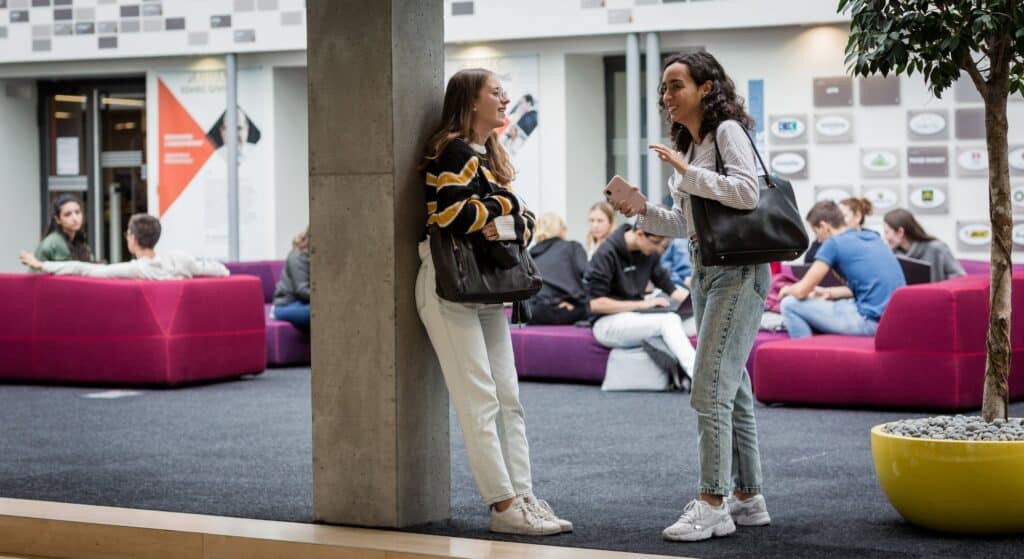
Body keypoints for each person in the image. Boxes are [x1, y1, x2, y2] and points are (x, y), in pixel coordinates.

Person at [615, 51, 772, 542]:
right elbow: (687, 225)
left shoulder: (726, 132)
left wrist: (685, 170)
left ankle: (712, 502)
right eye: (663, 88)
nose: (666, 96)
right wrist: (641, 210)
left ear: (706, 88)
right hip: (707, 272)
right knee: (732, 387)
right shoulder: (697, 142)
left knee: (707, 388)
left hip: (738, 273)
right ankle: (748, 496)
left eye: (676, 85)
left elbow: (747, 192)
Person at [415, 68, 570, 536]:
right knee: (481, 399)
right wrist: (503, 211)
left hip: (483, 287)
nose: (506, 100)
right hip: (450, 286)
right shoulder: (453, 150)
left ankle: (522, 495)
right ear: (470, 101)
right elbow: (447, 212)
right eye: (496, 93)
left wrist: (502, 214)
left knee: (508, 397)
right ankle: (503, 506)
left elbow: (527, 223)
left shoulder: (488, 156)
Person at [586, 223, 696, 385]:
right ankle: (700, 379)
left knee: (696, 322)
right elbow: (595, 304)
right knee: (669, 321)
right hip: (606, 324)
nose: (659, 249)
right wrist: (644, 304)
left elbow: (672, 290)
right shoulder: (606, 253)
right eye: (656, 243)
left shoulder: (648, 253)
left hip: (636, 318)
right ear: (639, 234)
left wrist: (701, 305)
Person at [779, 201, 905, 338]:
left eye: (816, 233)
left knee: (789, 304)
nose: (819, 241)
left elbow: (801, 291)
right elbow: (869, 288)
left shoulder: (833, 244)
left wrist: (786, 289)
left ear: (824, 226)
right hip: (892, 321)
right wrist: (828, 292)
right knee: (836, 303)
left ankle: (805, 355)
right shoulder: (871, 236)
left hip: (870, 323)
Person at [20, 214, 229, 280]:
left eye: (127, 233)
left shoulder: (136, 269)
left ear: (133, 239)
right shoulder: (180, 260)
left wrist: (41, 264)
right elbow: (221, 271)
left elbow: (83, 269)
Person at [527, 213, 588, 325]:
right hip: (565, 310)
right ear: (561, 230)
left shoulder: (530, 254)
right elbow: (588, 275)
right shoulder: (573, 247)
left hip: (535, 312)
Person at [883, 208, 965, 283]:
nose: (885, 237)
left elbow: (959, 277)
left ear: (900, 232)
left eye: (887, 232)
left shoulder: (937, 248)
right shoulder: (893, 254)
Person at [271, 227, 311, 330]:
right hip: (287, 305)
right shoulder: (299, 256)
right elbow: (302, 290)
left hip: (304, 303)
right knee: (323, 312)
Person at [35, 194, 93, 263]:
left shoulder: (79, 240)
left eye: (77, 212)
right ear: (57, 219)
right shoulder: (54, 242)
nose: (75, 218)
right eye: (68, 214)